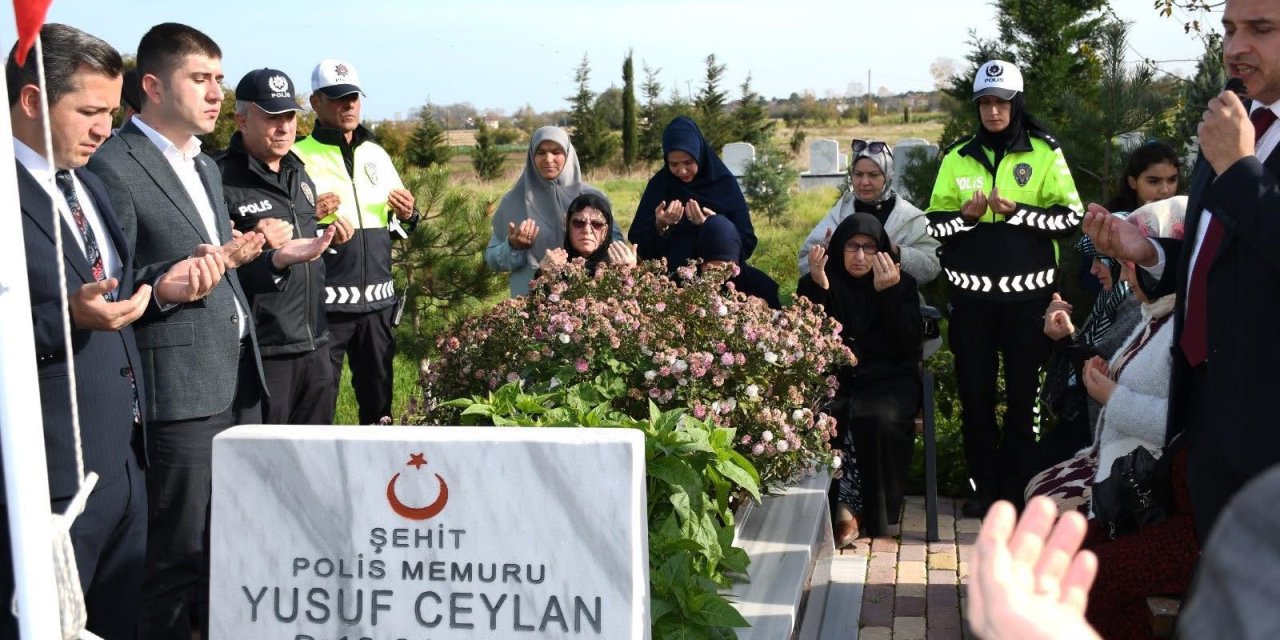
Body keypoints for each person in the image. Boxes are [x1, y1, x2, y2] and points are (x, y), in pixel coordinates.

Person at [87, 23, 334, 638]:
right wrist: (163, 285)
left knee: (230, 539)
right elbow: (106, 283)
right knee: (175, 555)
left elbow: (217, 266)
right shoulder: (114, 165)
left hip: (238, 376)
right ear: (152, 86)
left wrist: (270, 256)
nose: (216, 93)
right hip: (177, 390)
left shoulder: (202, 168)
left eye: (219, 80)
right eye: (200, 79)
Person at [2, 23, 216, 639]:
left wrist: (158, 286)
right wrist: (64, 317)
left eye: (110, 111)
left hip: (124, 466)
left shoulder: (89, 184)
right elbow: (57, 308)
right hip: (44, 482)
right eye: (89, 111)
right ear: (33, 101)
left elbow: (104, 287)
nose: (105, 128)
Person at [1083, 0, 1280, 542]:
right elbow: (1217, 263)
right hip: (1208, 417)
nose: (1235, 47)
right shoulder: (1238, 121)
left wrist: (1240, 169)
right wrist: (1148, 256)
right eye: (1230, 28)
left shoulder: (1233, 145)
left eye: (1261, 29)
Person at [924, 60, 1084, 517]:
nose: (993, 111)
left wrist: (1018, 213)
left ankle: (1017, 491)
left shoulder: (1044, 153)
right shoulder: (957, 157)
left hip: (1027, 302)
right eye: (986, 103)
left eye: (1001, 102)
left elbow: (1069, 219)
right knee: (975, 398)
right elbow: (935, 227)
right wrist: (966, 219)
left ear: (1016, 104)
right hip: (972, 303)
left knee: (1023, 400)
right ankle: (984, 491)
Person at [216, 68, 349, 425]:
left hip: (316, 345)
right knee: (264, 467)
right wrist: (256, 243)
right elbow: (212, 268)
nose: (284, 126)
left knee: (312, 463)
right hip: (263, 354)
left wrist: (326, 233)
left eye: (289, 115)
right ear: (241, 120)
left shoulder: (297, 171)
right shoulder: (217, 178)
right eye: (272, 117)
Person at [292, 58, 417, 425]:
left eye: (353, 97)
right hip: (324, 306)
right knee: (317, 409)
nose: (347, 105)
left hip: (378, 307)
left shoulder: (376, 154)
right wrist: (309, 216)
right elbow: (283, 232)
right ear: (315, 102)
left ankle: (379, 480)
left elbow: (396, 227)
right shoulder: (298, 157)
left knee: (380, 412)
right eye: (336, 98)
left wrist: (410, 215)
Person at [797, 212, 922, 544]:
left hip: (890, 378)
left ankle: (857, 510)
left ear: (882, 250)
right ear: (838, 247)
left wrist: (889, 294)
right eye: (852, 247)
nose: (861, 256)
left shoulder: (902, 284)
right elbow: (809, 341)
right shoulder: (823, 279)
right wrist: (819, 287)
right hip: (839, 377)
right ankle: (826, 508)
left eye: (869, 247)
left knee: (876, 416)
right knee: (823, 411)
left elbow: (909, 346)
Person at [487, 127, 619, 296]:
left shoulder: (592, 198)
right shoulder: (513, 201)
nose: (548, 159)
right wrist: (513, 247)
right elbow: (492, 260)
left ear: (568, 154)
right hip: (530, 304)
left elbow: (614, 245)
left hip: (584, 302)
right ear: (532, 156)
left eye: (556, 152)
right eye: (541, 152)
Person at [797, 138, 941, 284]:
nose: (864, 182)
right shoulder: (839, 213)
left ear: (888, 175)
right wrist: (828, 254)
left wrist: (897, 252)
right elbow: (804, 261)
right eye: (858, 174)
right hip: (842, 303)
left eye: (873, 175)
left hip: (894, 302)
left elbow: (932, 266)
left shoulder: (909, 217)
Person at [630, 116, 756, 272]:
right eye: (674, 164)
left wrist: (713, 227)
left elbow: (747, 241)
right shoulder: (659, 186)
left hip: (721, 278)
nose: (682, 171)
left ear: (699, 155)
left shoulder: (723, 183)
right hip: (670, 281)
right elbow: (638, 244)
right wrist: (659, 226)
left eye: (688, 162)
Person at [694, 214, 780, 309]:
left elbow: (779, 318)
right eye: (710, 268)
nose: (717, 275)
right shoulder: (689, 284)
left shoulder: (761, 285)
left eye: (724, 267)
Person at [541, 191, 636, 273]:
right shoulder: (554, 266)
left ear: (607, 230)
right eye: (578, 223)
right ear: (568, 226)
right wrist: (543, 275)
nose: (587, 230)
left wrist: (629, 274)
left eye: (597, 224)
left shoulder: (620, 265)